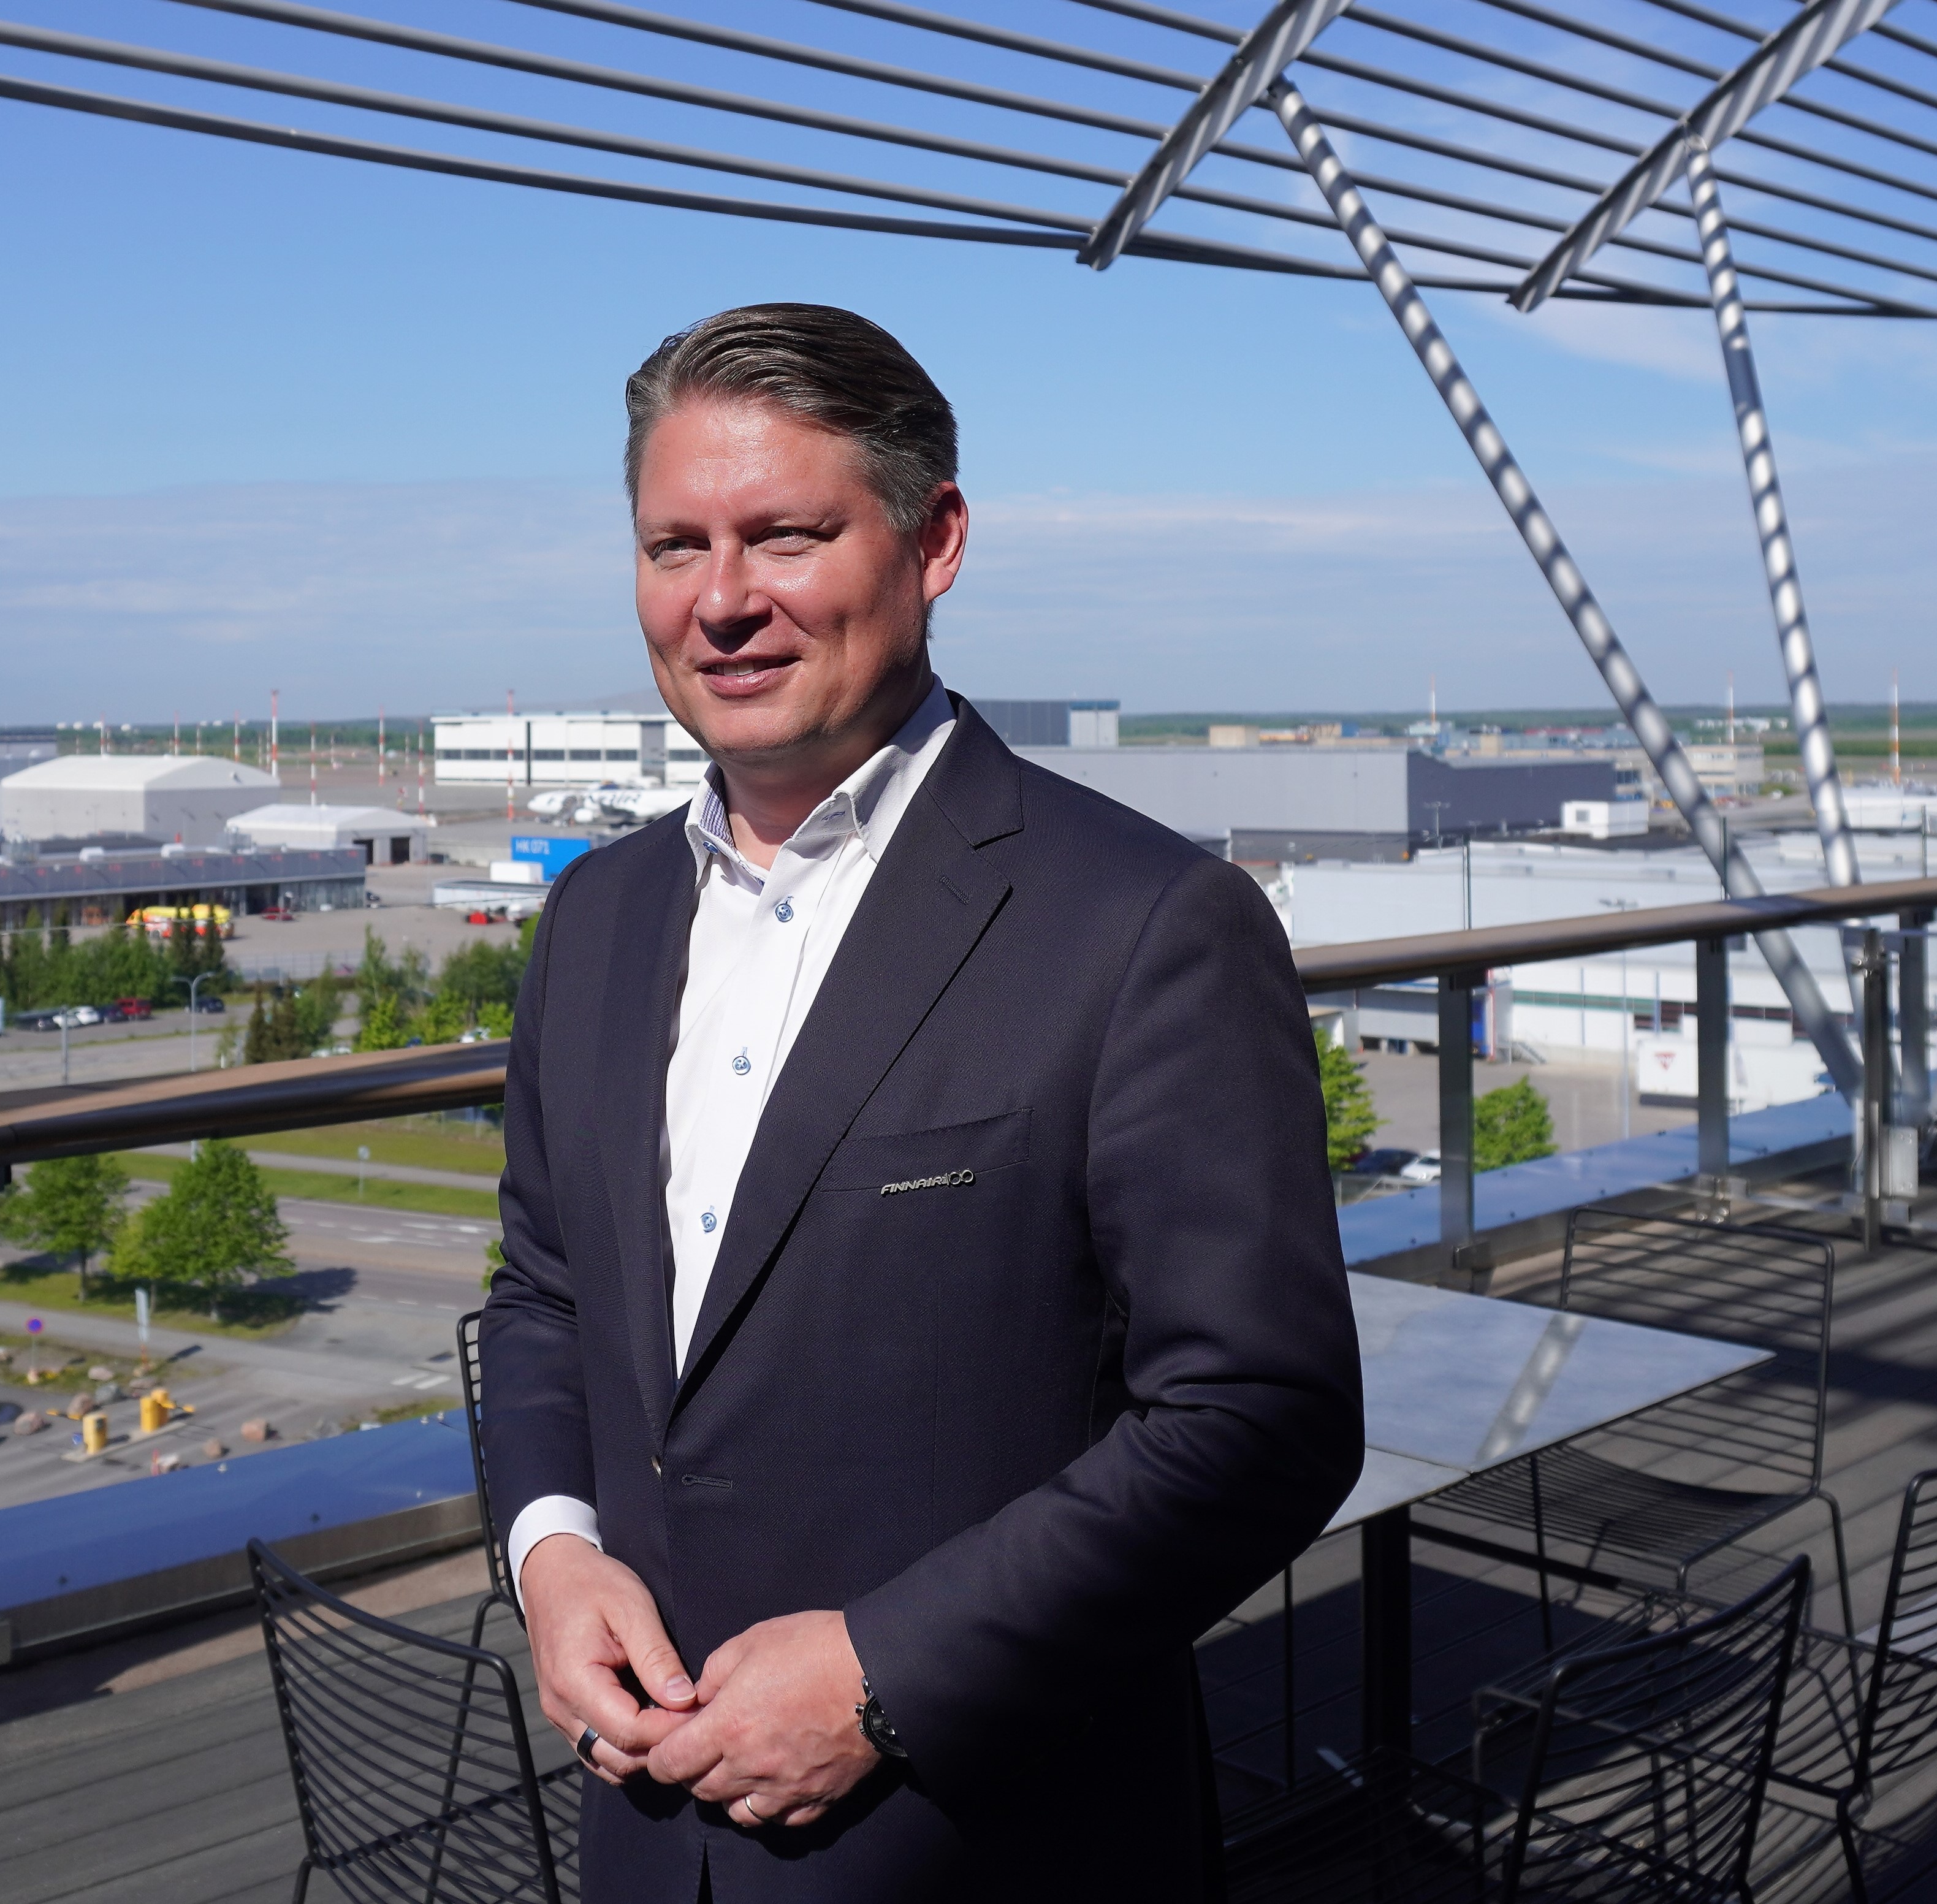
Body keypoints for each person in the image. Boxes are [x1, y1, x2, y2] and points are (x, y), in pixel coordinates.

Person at [480, 303, 1363, 1902]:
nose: (723, 599)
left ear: (934, 538)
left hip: (984, 1845)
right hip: (645, 1843)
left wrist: (887, 1673)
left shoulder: (1144, 925)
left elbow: (1260, 1419)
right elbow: (544, 1288)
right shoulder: (592, 921)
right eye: (675, 544)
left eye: (787, 534)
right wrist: (552, 1549)